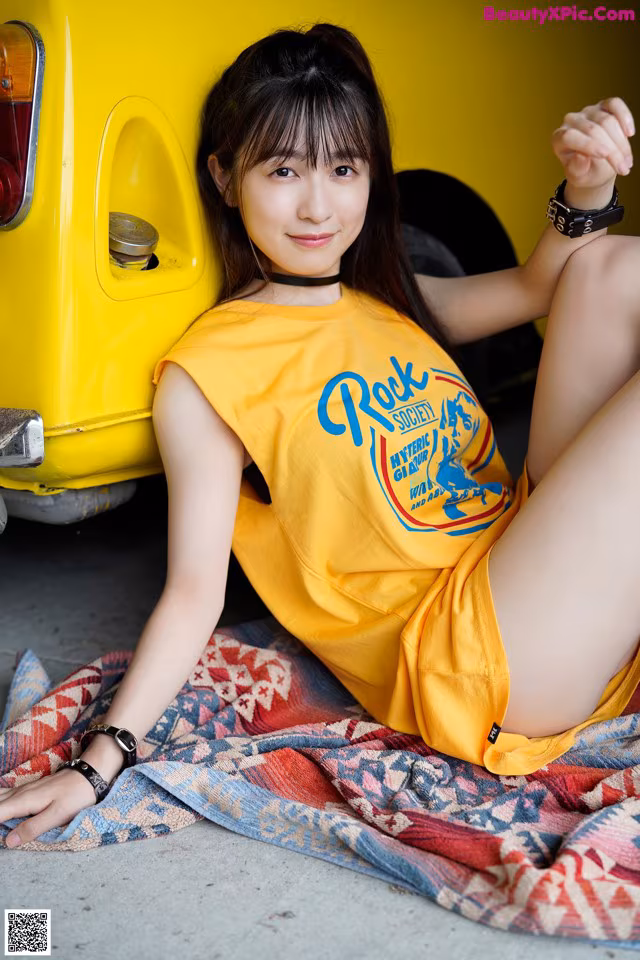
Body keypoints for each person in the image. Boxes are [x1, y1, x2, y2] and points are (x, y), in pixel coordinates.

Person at [1, 22, 638, 849]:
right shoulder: (210, 371)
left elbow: (542, 284)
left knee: (613, 266)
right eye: (282, 170)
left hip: (524, 559)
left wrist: (584, 185)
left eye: (343, 169)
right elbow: (195, 590)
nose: (317, 205)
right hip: (478, 659)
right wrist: (98, 764)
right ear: (224, 178)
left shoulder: (394, 302)